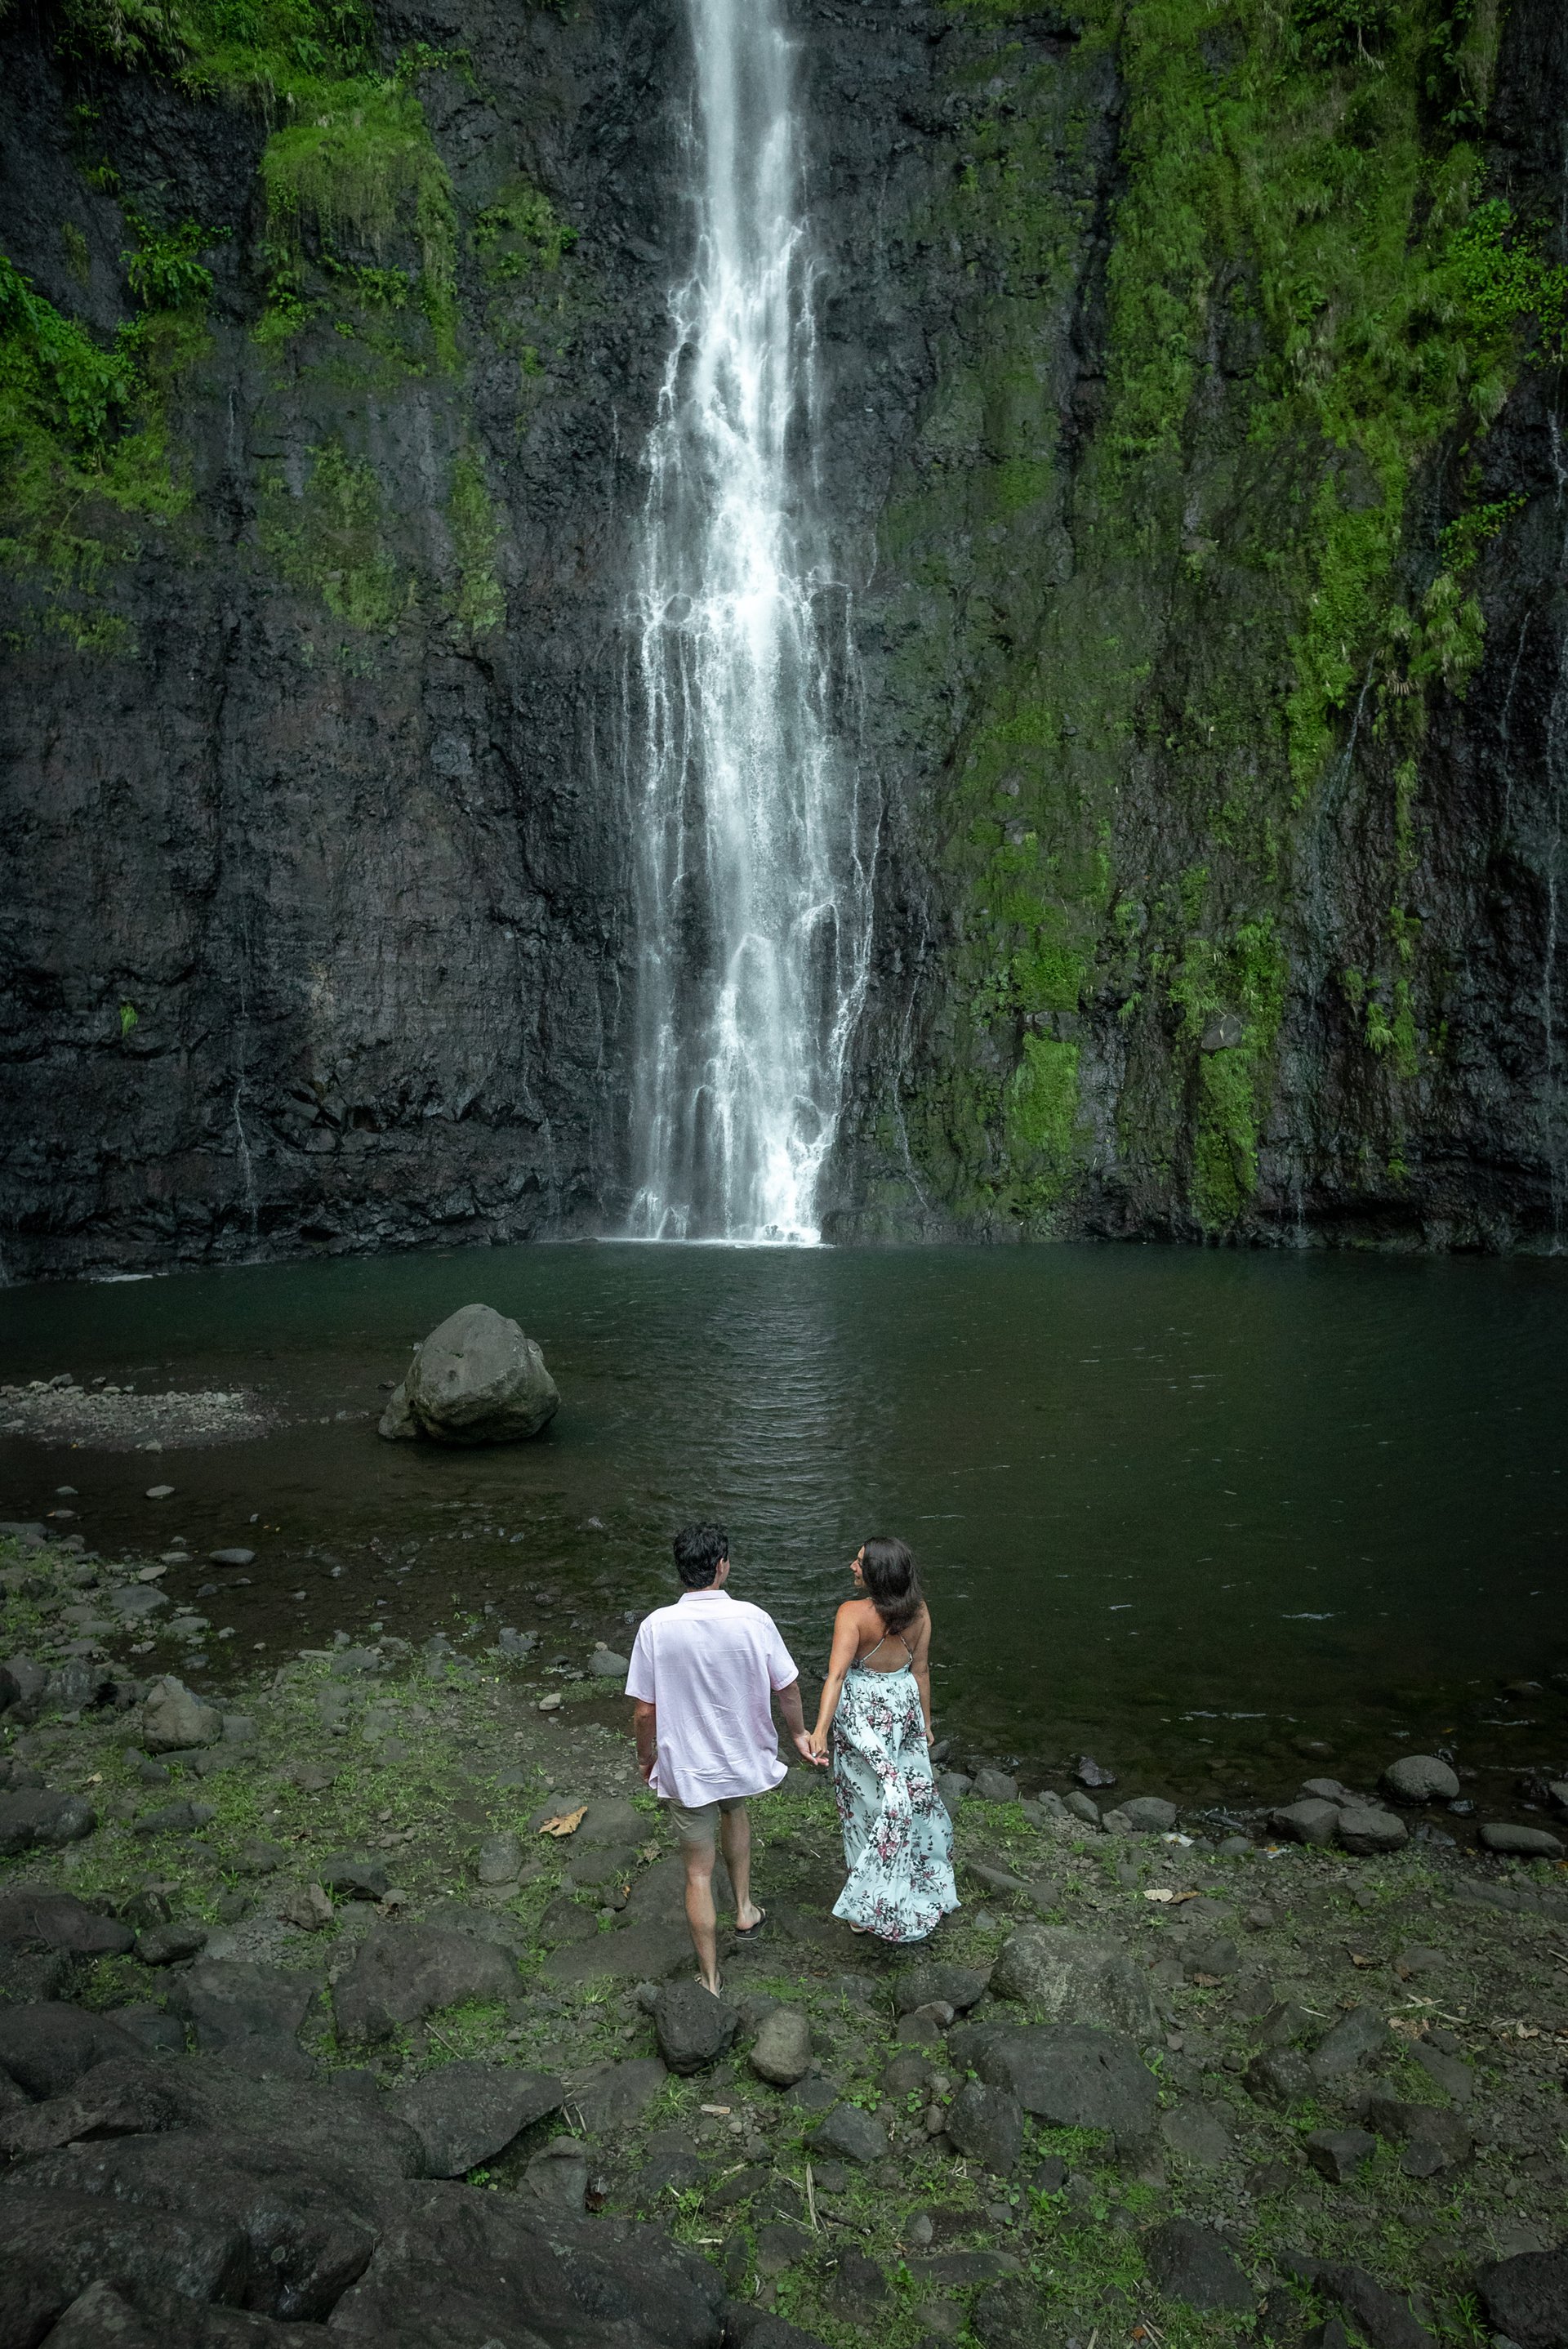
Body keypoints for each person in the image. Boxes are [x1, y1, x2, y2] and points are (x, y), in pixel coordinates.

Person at [626, 1521, 821, 1995]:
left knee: (697, 1871)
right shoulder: (754, 1618)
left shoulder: (656, 1626)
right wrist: (797, 1734)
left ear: (681, 1573)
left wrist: (646, 1760)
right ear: (721, 1566)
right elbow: (787, 1686)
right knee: (736, 1809)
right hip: (739, 1758)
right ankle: (744, 1909)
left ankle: (710, 1979)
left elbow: (644, 1711)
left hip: (688, 1768)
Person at [808, 1536, 958, 1944]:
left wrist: (820, 1730)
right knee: (907, 1794)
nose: (852, 1567)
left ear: (877, 1572)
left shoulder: (852, 1614)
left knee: (862, 1803)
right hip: (902, 1710)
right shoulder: (920, 1612)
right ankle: (906, 1879)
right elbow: (920, 1671)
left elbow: (837, 1676)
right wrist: (925, 1725)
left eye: (859, 1562)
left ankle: (866, 1905)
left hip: (863, 1716)